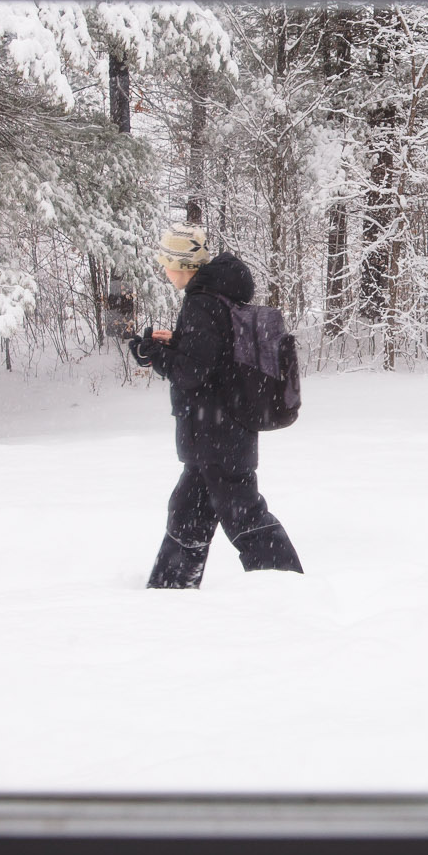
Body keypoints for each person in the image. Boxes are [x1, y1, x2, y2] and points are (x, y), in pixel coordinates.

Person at [127, 221, 304, 588]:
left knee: (245, 516)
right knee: (187, 513)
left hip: (216, 433)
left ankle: (289, 587)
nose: (164, 268)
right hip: (218, 433)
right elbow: (211, 357)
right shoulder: (216, 298)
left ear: (184, 265)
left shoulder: (201, 303)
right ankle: (169, 591)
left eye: (167, 261)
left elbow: (194, 372)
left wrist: (156, 355)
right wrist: (169, 345)